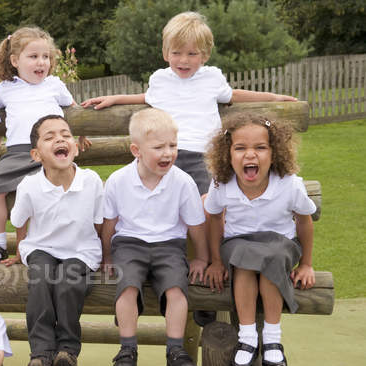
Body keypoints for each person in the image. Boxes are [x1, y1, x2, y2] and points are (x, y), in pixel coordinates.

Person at [81, 11, 297, 326]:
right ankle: (131, 293)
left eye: (192, 53)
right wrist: (115, 98)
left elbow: (233, 95)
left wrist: (274, 97)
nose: (184, 60)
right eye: (177, 53)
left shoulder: (211, 77)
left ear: (205, 55)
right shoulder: (160, 79)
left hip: (201, 156)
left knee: (205, 210)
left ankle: (206, 275)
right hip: (163, 153)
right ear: (165, 52)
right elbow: (147, 97)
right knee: (146, 204)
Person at [204, 112, 316, 366]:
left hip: (280, 244)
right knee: (244, 262)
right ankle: (247, 339)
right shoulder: (222, 183)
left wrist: (306, 264)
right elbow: (215, 218)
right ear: (227, 154)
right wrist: (216, 261)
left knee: (271, 259)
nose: (249, 155)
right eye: (240, 148)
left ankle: (272, 341)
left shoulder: (290, 184)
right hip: (238, 244)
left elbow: (304, 221)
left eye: (260, 148)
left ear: (274, 153)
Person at [102, 108, 208, 366]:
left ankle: (175, 350)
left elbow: (196, 226)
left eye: (173, 146)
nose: (167, 153)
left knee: (176, 290)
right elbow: (110, 225)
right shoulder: (118, 180)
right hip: (129, 243)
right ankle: (127, 349)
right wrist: (106, 258)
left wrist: (202, 258)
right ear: (136, 150)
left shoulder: (183, 182)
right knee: (128, 288)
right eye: (159, 147)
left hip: (169, 245)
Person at [0, 26, 90, 264]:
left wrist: (80, 134)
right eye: (33, 57)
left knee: (44, 193)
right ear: (15, 60)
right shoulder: (5, 88)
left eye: (46, 57)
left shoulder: (54, 85)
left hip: (49, 154)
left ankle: (53, 245)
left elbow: (73, 109)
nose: (41, 62)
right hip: (17, 152)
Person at [3, 114, 103, 366]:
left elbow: (101, 222)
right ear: (37, 155)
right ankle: (41, 352)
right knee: (40, 280)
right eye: (50, 137)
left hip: (81, 250)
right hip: (41, 247)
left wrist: (108, 257)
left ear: (76, 147)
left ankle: (67, 351)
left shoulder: (91, 181)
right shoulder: (29, 185)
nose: (60, 138)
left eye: (65, 135)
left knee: (68, 283)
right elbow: (19, 221)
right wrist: (19, 251)